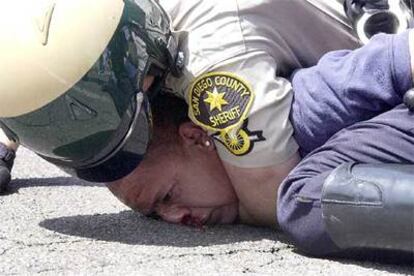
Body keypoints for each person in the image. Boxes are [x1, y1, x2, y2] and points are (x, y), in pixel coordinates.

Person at [0, 0, 412, 256]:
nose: (176, 216)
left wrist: (245, 189)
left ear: (198, 135)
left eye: (167, 196)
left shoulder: (211, 71)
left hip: (382, 57)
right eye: (157, 215)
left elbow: (267, 200)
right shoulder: (141, 34)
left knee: (301, 204)